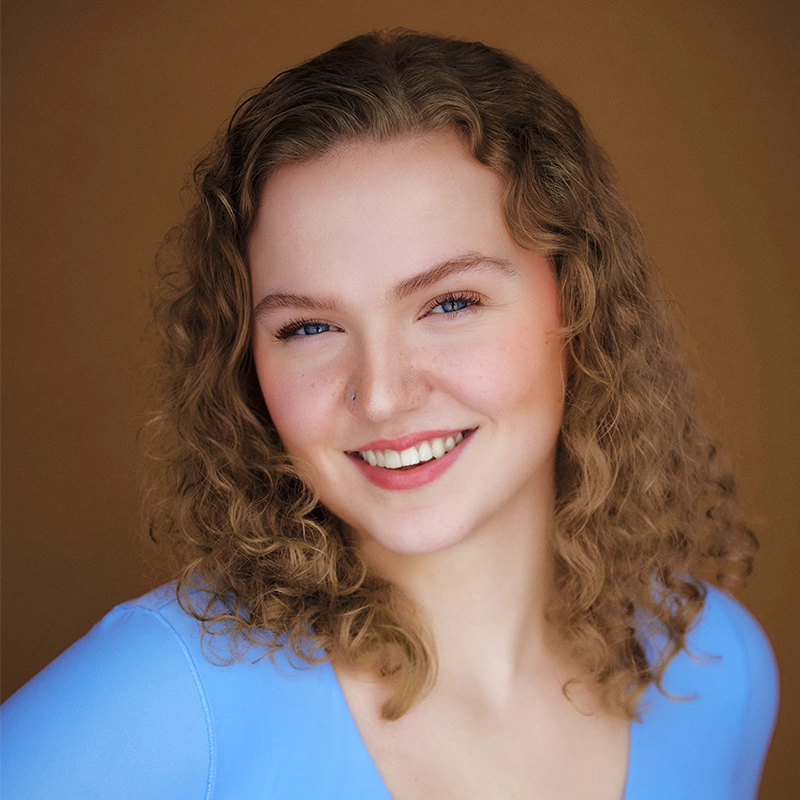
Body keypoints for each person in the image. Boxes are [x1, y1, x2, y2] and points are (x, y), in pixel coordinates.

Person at [1, 29, 778, 799]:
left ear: (580, 305)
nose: (380, 394)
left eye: (449, 303)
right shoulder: (166, 699)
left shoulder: (716, 671)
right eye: (308, 327)